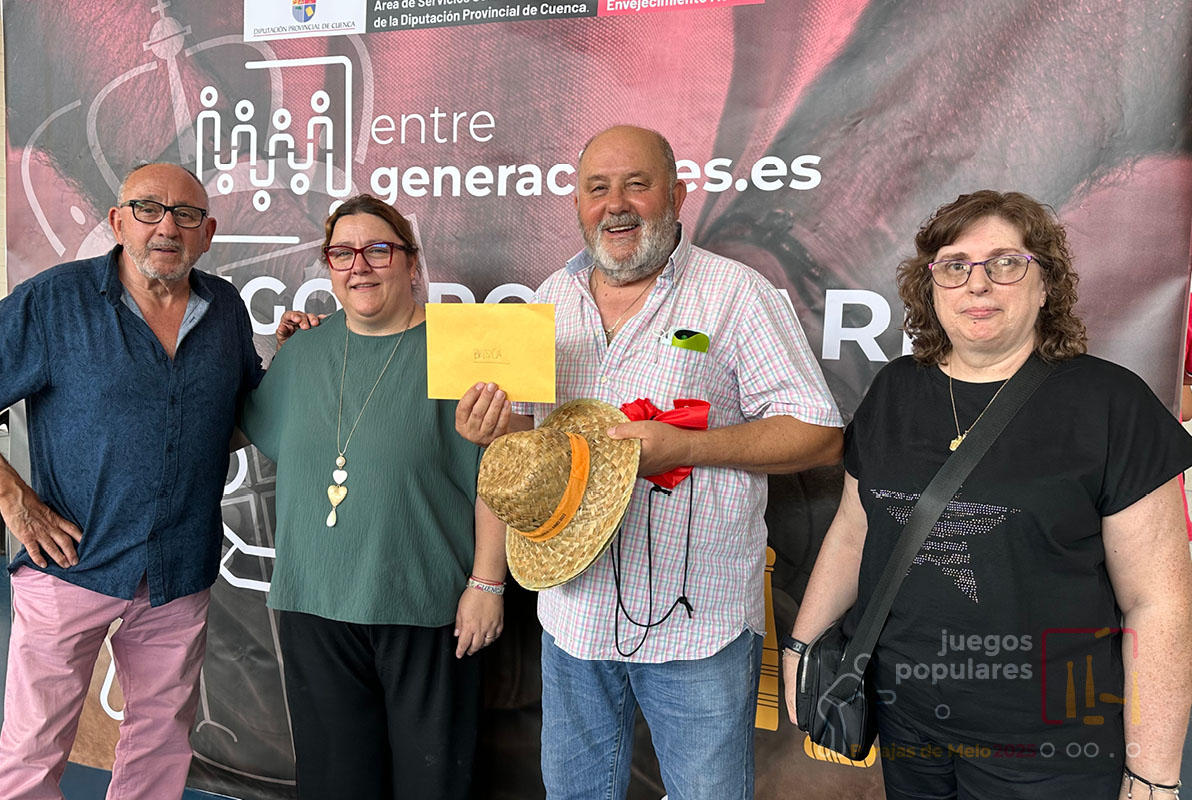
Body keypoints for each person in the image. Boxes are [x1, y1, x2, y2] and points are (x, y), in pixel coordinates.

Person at [456, 125, 844, 800]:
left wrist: (692, 446)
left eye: (636, 184)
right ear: (578, 204)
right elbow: (533, 441)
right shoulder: (549, 298)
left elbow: (819, 434)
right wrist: (497, 431)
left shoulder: (734, 294)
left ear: (677, 194)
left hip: (697, 627)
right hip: (573, 618)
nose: (616, 204)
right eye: (597, 188)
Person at [784, 190, 1192, 799]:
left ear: (1045, 283)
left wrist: (1151, 774)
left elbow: (1157, 603)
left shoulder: (1110, 404)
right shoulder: (894, 390)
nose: (978, 283)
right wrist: (801, 646)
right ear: (931, 287)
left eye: (1005, 263)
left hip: (1053, 745)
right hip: (906, 723)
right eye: (954, 265)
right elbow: (853, 529)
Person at [0, 163, 264, 799]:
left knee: (161, 742)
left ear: (207, 232)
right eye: (149, 209)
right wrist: (14, 500)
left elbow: (238, 415)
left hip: (177, 569)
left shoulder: (225, 310)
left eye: (186, 215)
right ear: (117, 221)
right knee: (33, 749)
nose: (167, 227)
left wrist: (297, 355)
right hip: (71, 564)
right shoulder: (55, 302)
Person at [237, 193, 506, 800]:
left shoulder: (463, 346)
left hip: (428, 605)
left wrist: (488, 583)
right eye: (342, 253)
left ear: (411, 261)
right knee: (334, 786)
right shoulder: (302, 352)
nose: (359, 265)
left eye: (378, 250)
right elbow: (246, 427)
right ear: (329, 267)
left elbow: (500, 471)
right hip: (314, 605)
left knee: (433, 785)